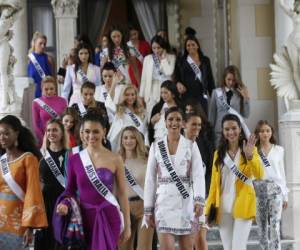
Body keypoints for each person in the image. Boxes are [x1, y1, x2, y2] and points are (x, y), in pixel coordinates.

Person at [55, 109, 131, 250]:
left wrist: (127, 225)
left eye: (96, 131)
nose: (91, 135)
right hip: (84, 219)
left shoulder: (116, 159)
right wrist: (65, 203)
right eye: (87, 131)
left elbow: (122, 193)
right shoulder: (74, 159)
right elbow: (70, 190)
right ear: (82, 133)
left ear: (104, 131)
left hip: (109, 215)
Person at [144, 106, 205, 250]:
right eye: (170, 119)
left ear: (183, 123)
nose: (174, 123)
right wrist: (148, 208)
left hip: (186, 204)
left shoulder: (191, 146)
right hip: (163, 205)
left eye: (178, 119)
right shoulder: (156, 146)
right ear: (165, 122)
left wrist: (199, 200)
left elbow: (198, 175)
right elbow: (150, 179)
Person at [205, 114, 264, 250]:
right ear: (223, 131)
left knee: (238, 247)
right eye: (227, 129)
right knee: (228, 247)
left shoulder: (250, 150)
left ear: (240, 129)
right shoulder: (218, 154)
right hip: (223, 206)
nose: (231, 132)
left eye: (234, 128)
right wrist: (209, 208)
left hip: (243, 203)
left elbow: (260, 174)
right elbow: (214, 185)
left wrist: (250, 157)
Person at [0, 115, 47, 249]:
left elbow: (33, 193)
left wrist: (30, 227)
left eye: (6, 133)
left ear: (17, 133)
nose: (2, 137)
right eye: (0, 134)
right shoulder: (1, 160)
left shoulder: (28, 159)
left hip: (19, 222)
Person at [254, 120, 289, 250]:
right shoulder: (254, 151)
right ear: (257, 133)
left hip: (276, 190)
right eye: (262, 131)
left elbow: (282, 173)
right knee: (262, 227)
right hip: (259, 190)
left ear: (271, 132)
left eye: (267, 130)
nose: (265, 133)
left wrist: (285, 196)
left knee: (275, 226)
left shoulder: (279, 150)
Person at [34, 119, 68, 250]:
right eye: (48, 130)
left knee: (59, 240)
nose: (51, 133)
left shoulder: (70, 155)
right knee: (44, 239)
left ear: (62, 133)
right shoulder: (40, 154)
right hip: (44, 203)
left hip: (62, 202)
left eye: (55, 130)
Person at [118, 126, 154, 250]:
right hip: (124, 209)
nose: (129, 140)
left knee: (144, 247)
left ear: (138, 139)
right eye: (125, 138)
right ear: (121, 140)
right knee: (123, 247)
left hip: (144, 208)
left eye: (132, 137)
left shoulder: (147, 159)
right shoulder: (116, 160)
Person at [183, 112, 214, 250]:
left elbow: (209, 172)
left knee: (200, 238)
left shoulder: (205, 145)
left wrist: (203, 196)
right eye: (193, 124)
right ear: (184, 125)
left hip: (202, 197)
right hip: (182, 199)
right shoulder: (175, 145)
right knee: (188, 240)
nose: (197, 127)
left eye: (199, 125)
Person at [208, 65, 250, 146]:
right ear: (224, 78)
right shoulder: (216, 92)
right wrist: (210, 133)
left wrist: (246, 98)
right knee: (219, 157)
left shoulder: (241, 93)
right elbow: (211, 115)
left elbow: (246, 114)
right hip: (219, 132)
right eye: (229, 79)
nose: (231, 82)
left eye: (233, 80)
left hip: (235, 132)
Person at [175, 35, 215, 112]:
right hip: (187, 96)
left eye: (193, 44)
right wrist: (178, 83)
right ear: (185, 47)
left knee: (203, 119)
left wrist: (213, 96)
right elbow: (176, 77)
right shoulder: (181, 61)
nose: (191, 47)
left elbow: (210, 79)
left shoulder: (205, 60)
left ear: (197, 46)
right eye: (188, 45)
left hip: (201, 95)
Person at [139, 35, 176, 115]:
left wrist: (163, 59)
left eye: (159, 48)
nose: (156, 50)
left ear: (163, 47)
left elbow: (169, 72)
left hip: (166, 89)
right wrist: (141, 95)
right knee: (151, 114)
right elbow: (144, 78)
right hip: (151, 89)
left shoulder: (171, 57)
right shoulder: (148, 58)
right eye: (154, 48)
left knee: (166, 114)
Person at [107, 84, 148, 152]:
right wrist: (114, 83)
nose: (130, 97)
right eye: (127, 95)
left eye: (132, 94)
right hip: (120, 144)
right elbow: (108, 103)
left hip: (136, 143)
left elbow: (144, 130)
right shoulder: (118, 109)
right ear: (123, 96)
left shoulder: (141, 111)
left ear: (136, 95)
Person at [32, 76, 67, 146]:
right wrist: (44, 140)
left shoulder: (63, 101)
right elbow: (36, 125)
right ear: (42, 89)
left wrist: (62, 137)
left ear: (55, 89)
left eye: (51, 89)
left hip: (60, 137)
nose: (49, 91)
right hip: (44, 138)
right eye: (46, 89)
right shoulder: (36, 102)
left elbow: (65, 120)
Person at [28, 32, 54, 98]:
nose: (43, 46)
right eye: (40, 43)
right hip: (33, 95)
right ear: (34, 43)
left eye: (44, 44)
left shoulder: (49, 59)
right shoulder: (29, 59)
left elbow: (54, 79)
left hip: (47, 95)